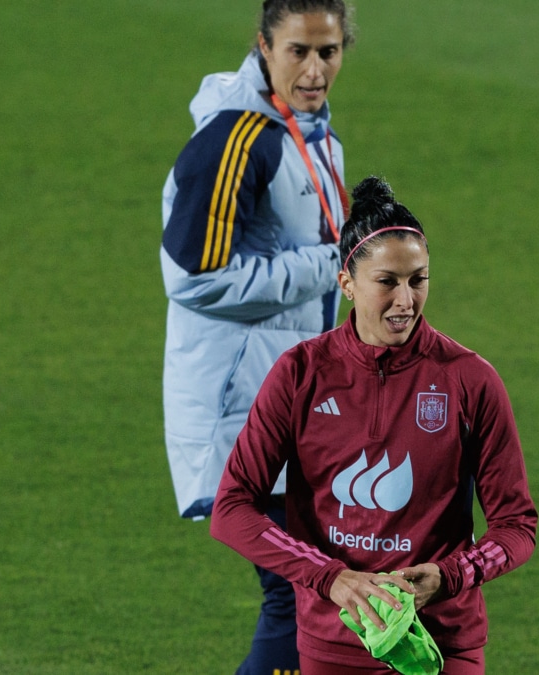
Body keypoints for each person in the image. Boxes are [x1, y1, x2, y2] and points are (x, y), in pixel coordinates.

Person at [211, 176, 538, 674]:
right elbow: (232, 508)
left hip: (443, 640)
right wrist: (331, 578)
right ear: (347, 284)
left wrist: (450, 576)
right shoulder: (300, 375)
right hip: (336, 641)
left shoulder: (470, 380)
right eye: (387, 282)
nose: (406, 300)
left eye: (418, 279)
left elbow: (517, 526)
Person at [160, 1, 357, 672]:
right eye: (298, 50)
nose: (314, 68)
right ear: (264, 47)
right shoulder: (237, 139)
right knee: (303, 588)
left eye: (327, 52)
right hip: (237, 408)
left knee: (312, 589)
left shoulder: (312, 134)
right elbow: (195, 274)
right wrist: (333, 262)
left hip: (287, 402)